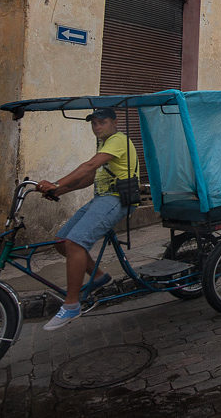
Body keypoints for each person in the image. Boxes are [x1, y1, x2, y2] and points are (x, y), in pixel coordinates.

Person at [36, 107, 139, 331]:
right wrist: (59, 192)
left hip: (117, 199)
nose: (97, 127)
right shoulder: (103, 144)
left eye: (101, 122)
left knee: (76, 242)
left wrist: (56, 183)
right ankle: (99, 278)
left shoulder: (118, 140)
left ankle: (72, 305)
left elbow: (89, 166)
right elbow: (90, 178)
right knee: (62, 241)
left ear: (114, 122)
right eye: (94, 123)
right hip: (102, 198)